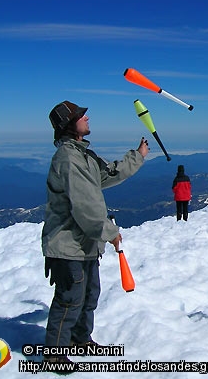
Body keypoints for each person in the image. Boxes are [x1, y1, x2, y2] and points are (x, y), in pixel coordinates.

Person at [42, 101, 149, 367]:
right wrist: (108, 232)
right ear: (69, 124)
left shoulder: (82, 155)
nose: (86, 117)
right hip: (67, 244)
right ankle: (53, 354)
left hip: (84, 243)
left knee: (89, 295)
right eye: (80, 115)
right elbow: (85, 205)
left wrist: (138, 156)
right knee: (69, 299)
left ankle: (80, 339)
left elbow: (106, 175)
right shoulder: (68, 159)